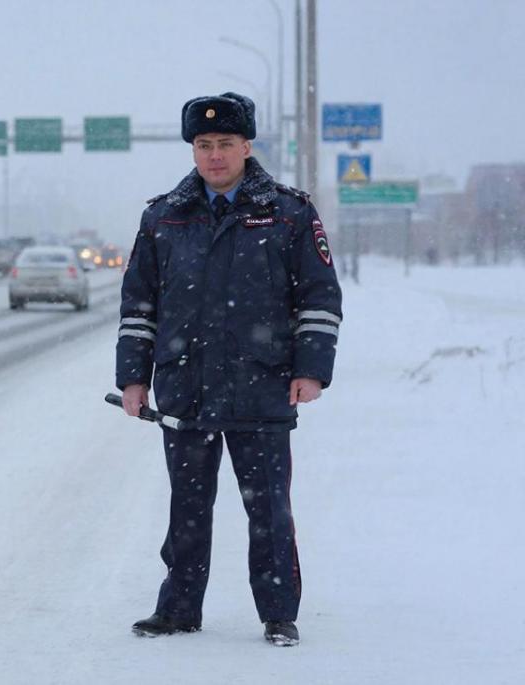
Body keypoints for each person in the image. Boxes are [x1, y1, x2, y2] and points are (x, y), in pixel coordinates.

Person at [116, 92, 342, 647]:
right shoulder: (163, 215)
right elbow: (139, 305)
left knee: (267, 509)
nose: (214, 155)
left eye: (224, 144)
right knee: (186, 508)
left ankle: (278, 613)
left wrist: (311, 368)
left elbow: (319, 296)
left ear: (246, 145)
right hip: (185, 383)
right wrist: (133, 378)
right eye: (203, 145)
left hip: (260, 384)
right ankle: (179, 608)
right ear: (193, 150)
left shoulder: (289, 212)